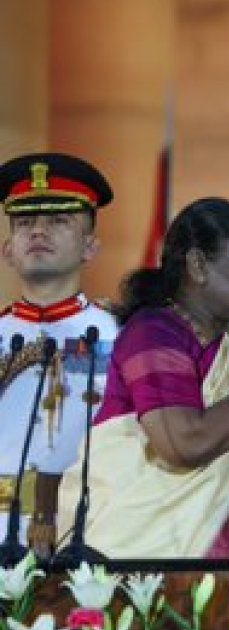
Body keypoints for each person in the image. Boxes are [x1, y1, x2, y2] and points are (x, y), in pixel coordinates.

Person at [57, 197, 229, 558]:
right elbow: (183, 445)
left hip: (219, 584)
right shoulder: (153, 334)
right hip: (129, 572)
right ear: (198, 265)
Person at [0, 153, 117, 557]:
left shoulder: (123, 336)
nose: (38, 232)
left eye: (58, 221)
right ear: (7, 249)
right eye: (25, 223)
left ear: (90, 246)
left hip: (88, 533)